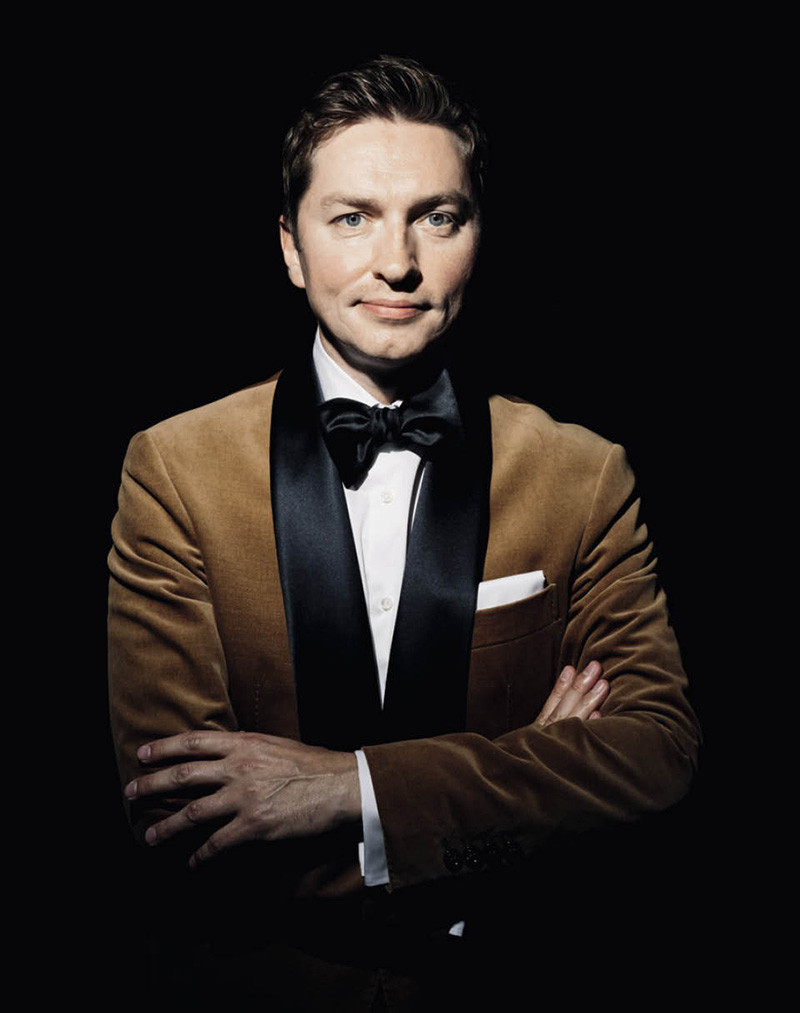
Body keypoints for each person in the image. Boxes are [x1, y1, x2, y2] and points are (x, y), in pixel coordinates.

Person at [108, 55, 700, 1009]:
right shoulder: (174, 469)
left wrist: (355, 790)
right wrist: (524, 801)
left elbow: (657, 759)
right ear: (291, 248)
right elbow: (188, 823)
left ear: (479, 234)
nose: (398, 262)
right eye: (353, 218)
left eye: (438, 217)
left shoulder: (583, 473)